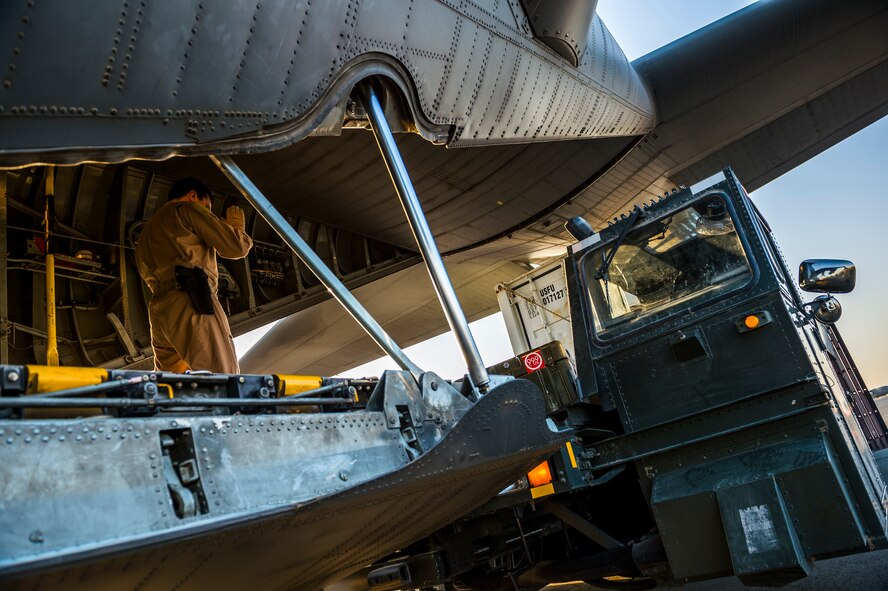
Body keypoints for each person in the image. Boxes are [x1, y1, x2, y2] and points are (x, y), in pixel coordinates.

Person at [136, 177, 252, 373]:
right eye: (206, 207)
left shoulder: (147, 232)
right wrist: (236, 228)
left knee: (172, 382)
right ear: (193, 196)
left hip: (160, 310)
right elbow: (236, 247)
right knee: (221, 375)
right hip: (191, 298)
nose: (207, 213)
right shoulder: (187, 209)